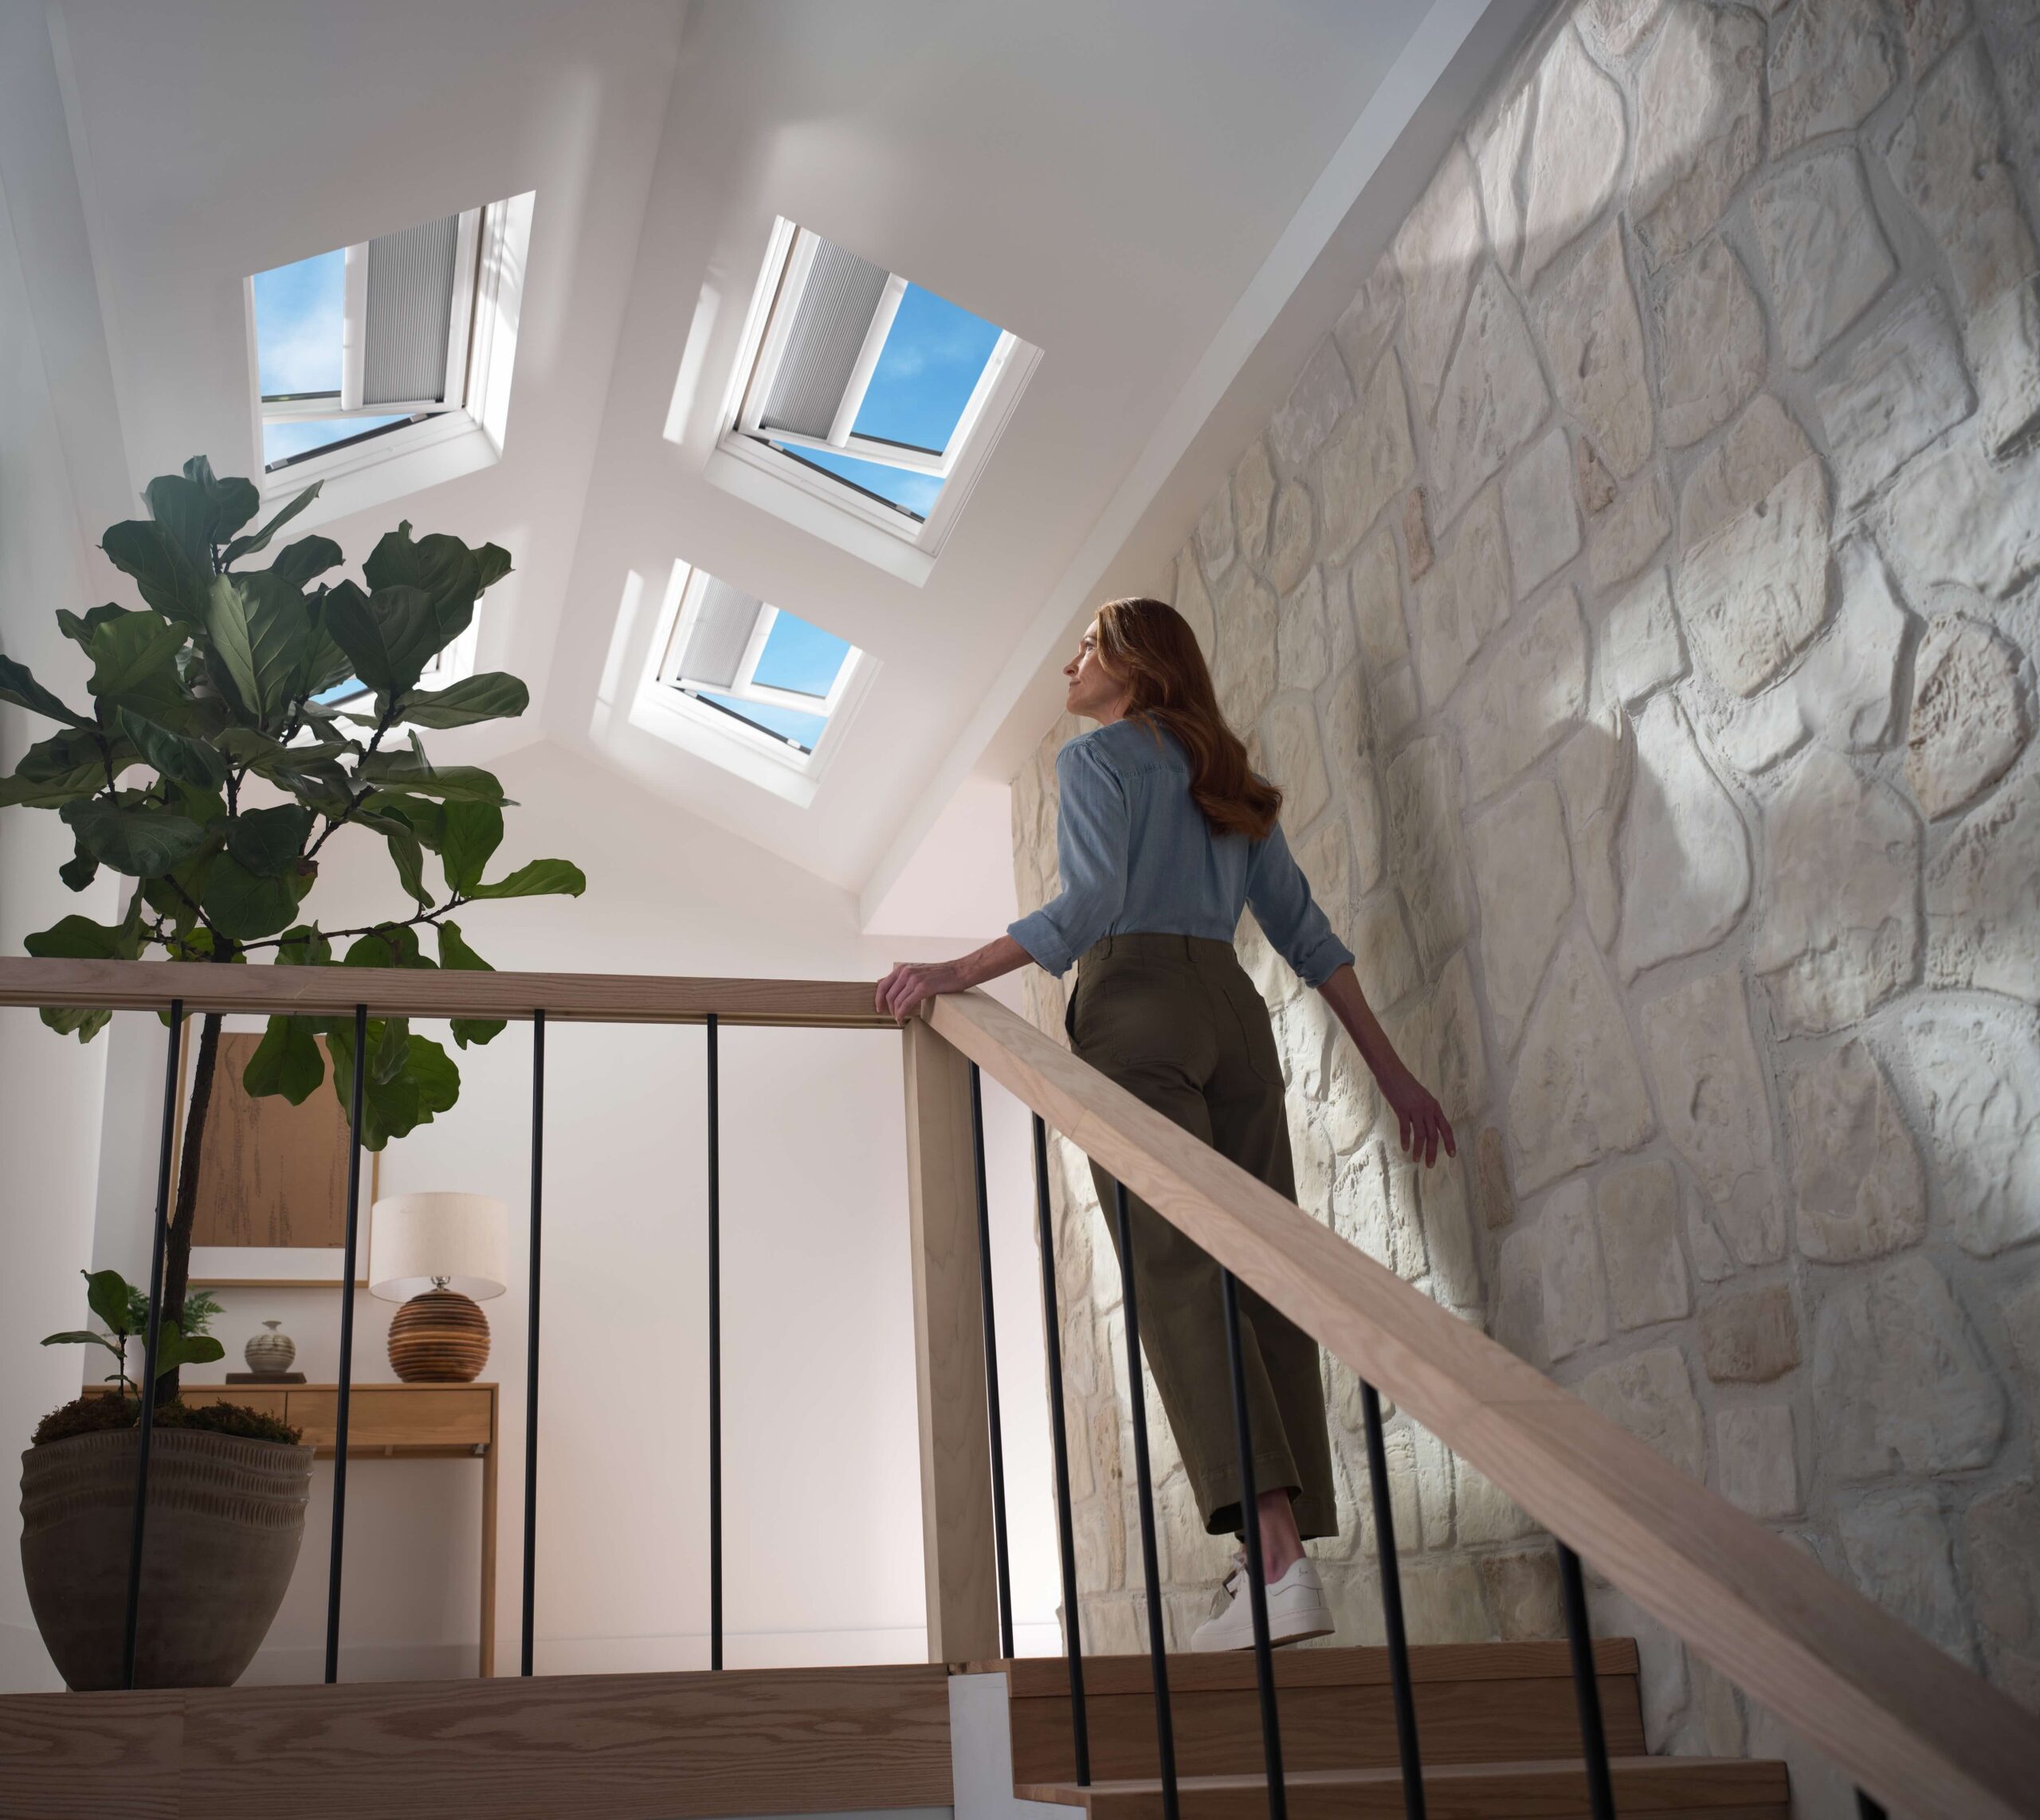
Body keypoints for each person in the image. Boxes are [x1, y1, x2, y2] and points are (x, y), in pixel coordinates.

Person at [876, 596, 1454, 1651]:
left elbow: (1094, 902)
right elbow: (1307, 938)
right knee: (1262, 1271)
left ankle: (1275, 1566)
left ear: (1133, 667)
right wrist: (1396, 1075)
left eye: (1087, 650)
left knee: (1181, 1277)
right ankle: (1275, 1568)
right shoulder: (1228, 779)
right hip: (1235, 1017)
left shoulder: (1100, 762)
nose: (1070, 669)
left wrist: (955, 971)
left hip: (1137, 1003)